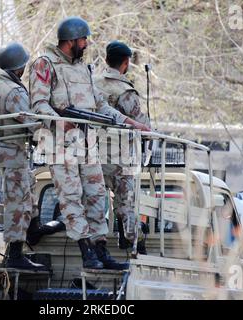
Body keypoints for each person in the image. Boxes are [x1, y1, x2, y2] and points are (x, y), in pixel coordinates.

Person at [29, 17, 150, 270]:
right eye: (83, 40)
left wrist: (129, 122)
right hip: (60, 145)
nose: (86, 44)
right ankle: (87, 253)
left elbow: (101, 106)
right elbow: (39, 105)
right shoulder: (45, 64)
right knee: (71, 198)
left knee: (96, 196)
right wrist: (60, 123)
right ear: (71, 40)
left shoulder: (84, 69)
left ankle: (100, 250)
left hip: (87, 143)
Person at [94, 41, 151, 254]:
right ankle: (130, 241)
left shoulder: (92, 83)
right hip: (120, 158)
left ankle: (95, 247)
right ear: (125, 63)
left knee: (95, 200)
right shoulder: (125, 91)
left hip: (91, 154)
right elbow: (141, 125)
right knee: (126, 202)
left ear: (106, 59)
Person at [0, 42, 47, 270]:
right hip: (12, 152)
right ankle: (14, 255)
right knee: (18, 203)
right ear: (18, 68)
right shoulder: (14, 91)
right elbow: (33, 124)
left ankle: (33, 231)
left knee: (25, 198)